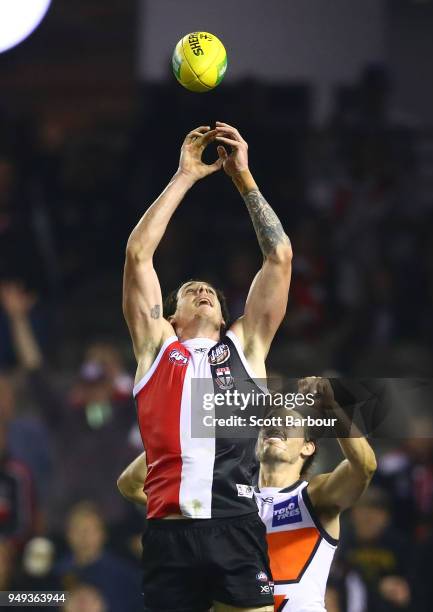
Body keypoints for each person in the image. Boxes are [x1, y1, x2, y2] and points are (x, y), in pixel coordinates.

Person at [122, 122, 292, 611]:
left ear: (224, 312)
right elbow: (138, 256)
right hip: (170, 534)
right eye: (190, 291)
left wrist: (243, 178)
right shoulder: (156, 348)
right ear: (171, 315)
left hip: (236, 525)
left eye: (212, 293)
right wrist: (184, 176)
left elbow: (278, 256)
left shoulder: (248, 345)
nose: (202, 292)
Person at [118, 377, 377, 612]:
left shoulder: (313, 496)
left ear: (308, 447)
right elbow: (131, 484)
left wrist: (333, 407)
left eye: (289, 423)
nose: (276, 424)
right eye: (270, 421)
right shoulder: (225, 500)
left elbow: (364, 467)